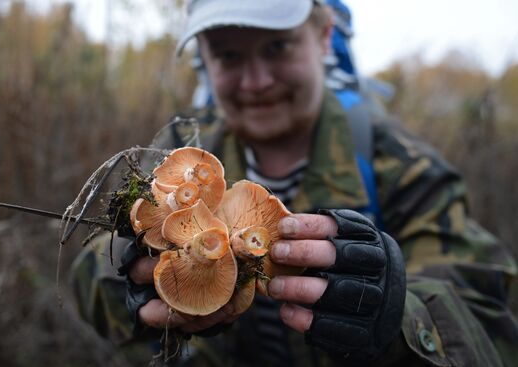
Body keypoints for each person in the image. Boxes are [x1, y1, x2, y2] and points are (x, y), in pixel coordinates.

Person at [71, 0, 518, 366]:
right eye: (228, 55)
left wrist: (398, 315)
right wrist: (131, 287)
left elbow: (490, 328)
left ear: (324, 38)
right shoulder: (178, 154)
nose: (256, 81)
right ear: (203, 60)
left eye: (278, 47)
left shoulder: (404, 169)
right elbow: (87, 273)